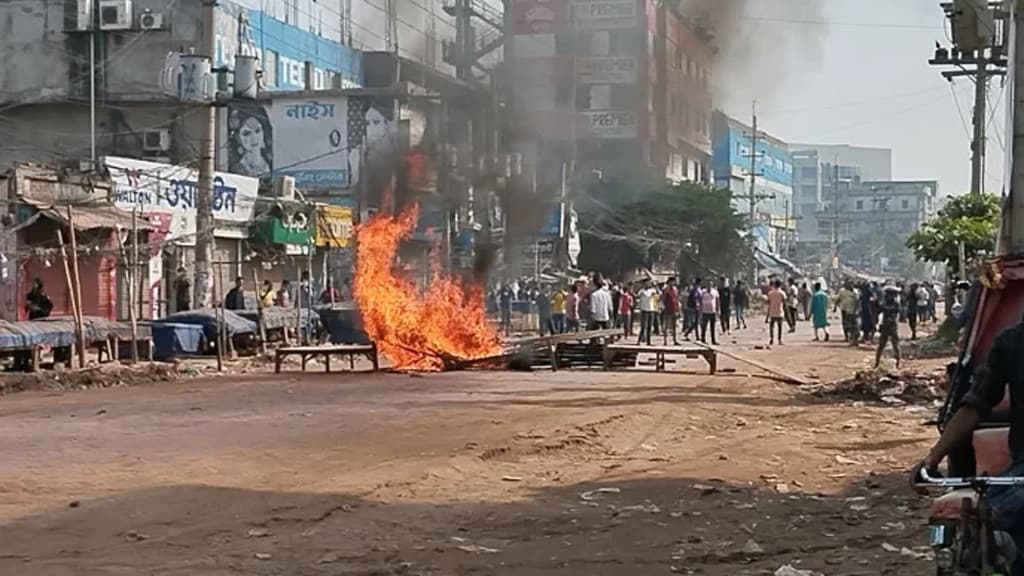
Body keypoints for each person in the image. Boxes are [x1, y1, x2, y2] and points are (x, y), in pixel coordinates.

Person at [910, 318, 1024, 576]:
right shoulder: (1012, 341)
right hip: (1021, 473)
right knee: (993, 522)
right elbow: (975, 404)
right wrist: (931, 460)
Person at [875, 285, 902, 369]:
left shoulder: (888, 303)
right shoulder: (893, 303)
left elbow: (880, 310)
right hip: (890, 325)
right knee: (891, 345)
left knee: (888, 345)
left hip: (889, 325)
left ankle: (878, 362)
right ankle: (878, 362)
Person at [637, 281, 658, 345]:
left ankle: (648, 341)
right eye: (646, 283)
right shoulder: (642, 291)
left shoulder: (652, 290)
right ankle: (639, 340)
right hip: (644, 310)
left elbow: (659, 294)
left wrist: (656, 286)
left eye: (648, 283)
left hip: (651, 310)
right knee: (643, 326)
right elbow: (639, 295)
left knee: (649, 326)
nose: (647, 284)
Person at [766, 280, 786, 346]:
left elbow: (768, 303)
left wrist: (767, 315)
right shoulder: (782, 293)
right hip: (780, 312)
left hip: (772, 312)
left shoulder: (770, 293)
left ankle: (771, 338)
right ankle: (779, 340)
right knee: (780, 327)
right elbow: (784, 302)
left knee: (771, 326)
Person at [699, 281, 720, 345]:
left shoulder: (715, 292)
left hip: (712, 311)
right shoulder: (703, 292)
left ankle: (713, 340)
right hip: (705, 311)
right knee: (704, 326)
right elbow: (700, 300)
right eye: (708, 285)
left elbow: (717, 301)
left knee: (712, 327)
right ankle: (703, 339)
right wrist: (700, 309)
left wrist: (718, 310)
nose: (709, 286)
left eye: (710, 285)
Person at [661, 277, 680, 346]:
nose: (673, 283)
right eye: (672, 282)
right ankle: (665, 341)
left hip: (674, 309)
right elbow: (663, 298)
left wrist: (678, 309)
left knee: (674, 326)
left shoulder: (675, 289)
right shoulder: (666, 289)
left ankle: (675, 340)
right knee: (666, 325)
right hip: (667, 309)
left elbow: (677, 299)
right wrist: (663, 306)